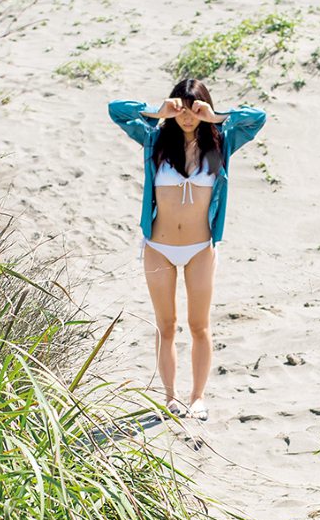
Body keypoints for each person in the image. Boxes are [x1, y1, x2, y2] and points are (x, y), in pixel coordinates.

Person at [108, 78, 266, 421]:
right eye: (182, 107)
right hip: (159, 248)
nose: (188, 116)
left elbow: (258, 117)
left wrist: (216, 117)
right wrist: (156, 111)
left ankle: (197, 397)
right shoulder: (154, 139)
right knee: (167, 325)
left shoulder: (222, 142)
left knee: (199, 326)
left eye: (195, 108)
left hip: (199, 248)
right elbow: (116, 111)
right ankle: (169, 398)